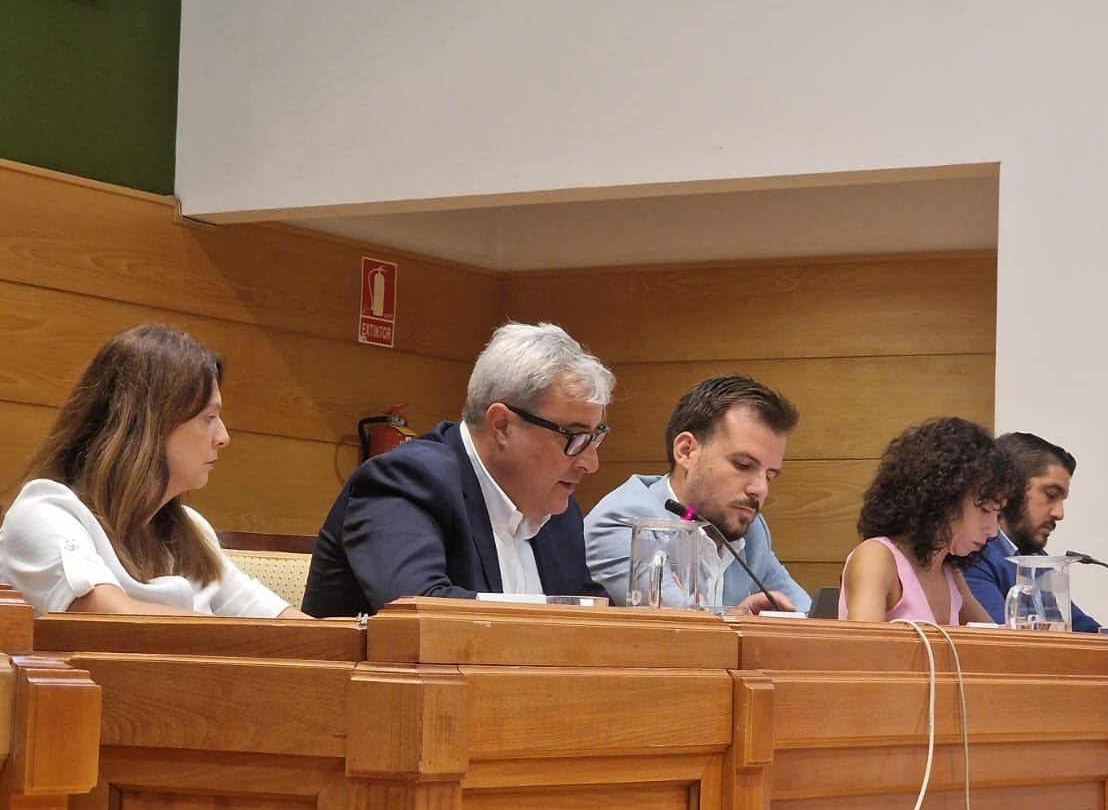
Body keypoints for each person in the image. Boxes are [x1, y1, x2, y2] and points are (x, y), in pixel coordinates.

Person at [303, 321, 614, 615]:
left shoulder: (556, 513)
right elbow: (419, 611)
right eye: (575, 437)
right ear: (502, 425)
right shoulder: (406, 482)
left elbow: (596, 623)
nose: (590, 462)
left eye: (595, 437)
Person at [0, 324, 304, 618]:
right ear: (152, 426)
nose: (223, 437)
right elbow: (113, 620)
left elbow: (275, 619)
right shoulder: (45, 512)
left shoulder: (191, 532)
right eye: (209, 417)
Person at [584, 374, 809, 613]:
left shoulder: (752, 531)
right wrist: (739, 619)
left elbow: (806, 615)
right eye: (743, 465)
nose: (760, 489)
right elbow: (684, 630)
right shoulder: (625, 523)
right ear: (686, 451)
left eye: (769, 476)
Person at [839, 416, 1019, 625]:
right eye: (985, 510)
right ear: (944, 498)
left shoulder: (949, 572)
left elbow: (992, 645)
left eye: (998, 515)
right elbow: (860, 650)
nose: (992, 531)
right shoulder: (876, 557)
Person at [963, 432, 1100, 631]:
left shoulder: (1036, 559)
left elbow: (1087, 633)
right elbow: (1007, 644)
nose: (1059, 513)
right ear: (1009, 489)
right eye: (1050, 495)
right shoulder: (973, 555)